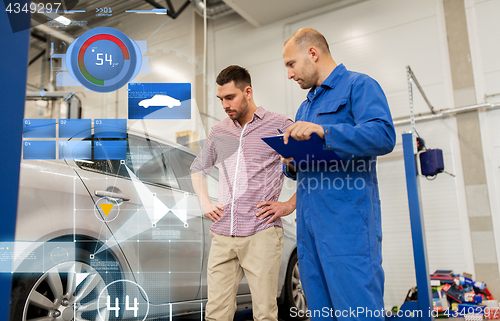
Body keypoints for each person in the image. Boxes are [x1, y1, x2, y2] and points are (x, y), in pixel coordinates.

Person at [275, 28, 396, 320]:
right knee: (321, 314)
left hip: (347, 229)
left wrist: (325, 132)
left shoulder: (359, 86)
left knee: (358, 312)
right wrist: (290, 161)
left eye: (291, 64)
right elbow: (302, 167)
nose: (289, 75)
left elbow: (383, 135)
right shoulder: (306, 107)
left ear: (313, 53)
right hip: (309, 231)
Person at [190, 65, 296, 321]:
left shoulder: (280, 125)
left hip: (261, 232)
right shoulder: (219, 131)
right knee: (216, 313)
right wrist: (205, 202)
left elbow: (310, 170)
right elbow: (197, 169)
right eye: (220, 99)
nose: (225, 105)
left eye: (230, 97)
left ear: (247, 92)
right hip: (223, 234)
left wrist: (288, 205)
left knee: (264, 313)